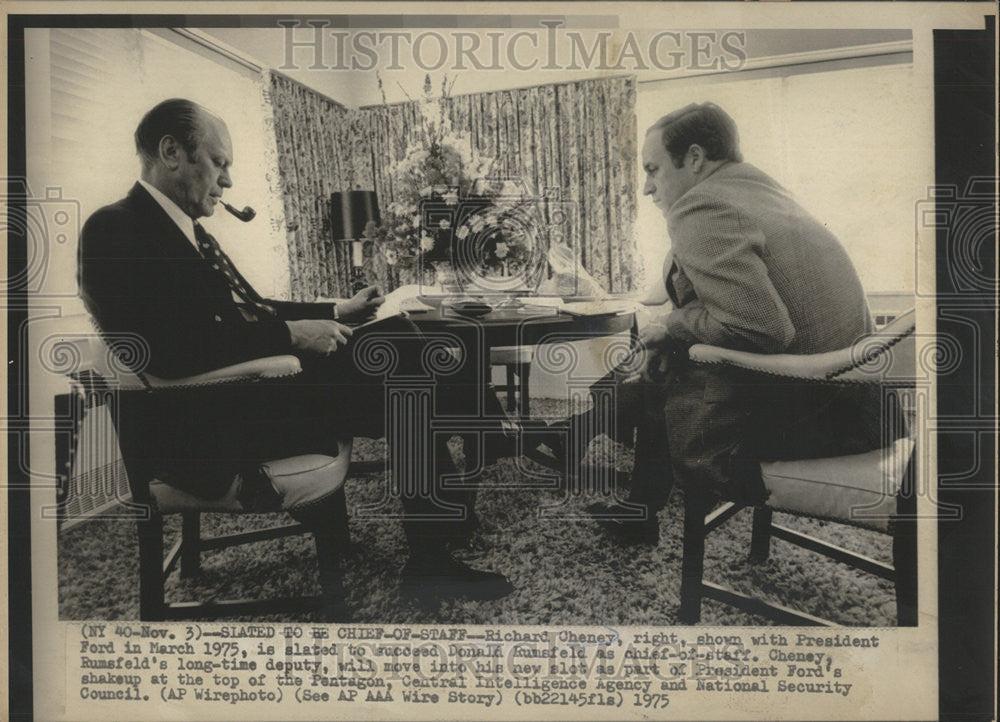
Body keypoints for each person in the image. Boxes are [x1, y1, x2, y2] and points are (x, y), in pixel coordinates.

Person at [78, 98, 513, 605]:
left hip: (240, 393)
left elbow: (250, 307)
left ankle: (460, 488)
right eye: (220, 163)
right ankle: (453, 511)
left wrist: (335, 308)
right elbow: (166, 349)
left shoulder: (175, 229)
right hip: (207, 423)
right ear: (171, 151)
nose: (228, 181)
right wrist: (293, 336)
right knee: (410, 361)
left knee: (424, 336)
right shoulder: (116, 228)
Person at [553, 102, 890, 543]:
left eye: (653, 170)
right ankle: (624, 492)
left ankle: (575, 441)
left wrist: (674, 326)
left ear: (694, 158)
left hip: (813, 424)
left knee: (651, 377)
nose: (646, 188)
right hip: (861, 411)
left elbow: (762, 328)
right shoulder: (761, 191)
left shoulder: (704, 207)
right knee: (655, 369)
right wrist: (675, 330)